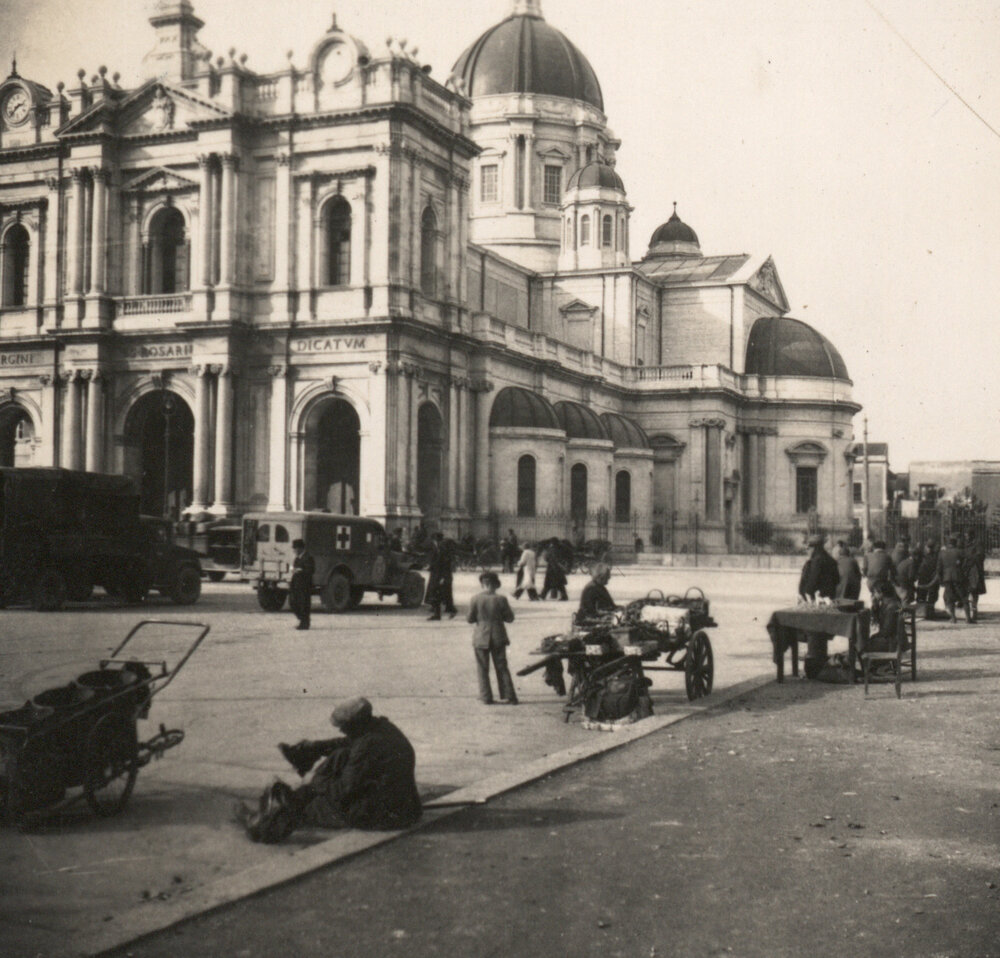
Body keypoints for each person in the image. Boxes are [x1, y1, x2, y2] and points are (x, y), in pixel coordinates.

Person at [234, 697, 422, 843]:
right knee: (340, 755)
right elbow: (350, 743)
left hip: (380, 816)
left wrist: (314, 781)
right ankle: (289, 802)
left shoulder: (367, 747)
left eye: (343, 727)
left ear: (355, 724)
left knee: (303, 809)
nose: (341, 731)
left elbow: (343, 790)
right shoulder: (381, 728)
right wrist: (316, 747)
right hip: (404, 808)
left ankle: (262, 825)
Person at [467, 571, 518, 705]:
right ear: (496, 584)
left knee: (482, 667)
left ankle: (486, 696)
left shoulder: (475, 599)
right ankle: (509, 695)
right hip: (498, 635)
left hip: (481, 637)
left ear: (483, 584)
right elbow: (510, 618)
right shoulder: (501, 599)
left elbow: (470, 619)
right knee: (502, 666)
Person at [936, 535, 968, 624]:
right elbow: (965, 563)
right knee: (964, 597)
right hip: (958, 576)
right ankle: (968, 618)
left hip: (947, 578)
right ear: (955, 543)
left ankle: (953, 618)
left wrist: (940, 579)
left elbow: (939, 568)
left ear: (947, 543)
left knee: (950, 598)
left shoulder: (942, 553)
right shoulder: (960, 552)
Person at [798, 534, 839, 601]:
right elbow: (837, 579)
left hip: (816, 599)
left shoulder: (816, 561)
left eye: (808, 548)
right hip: (830, 597)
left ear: (814, 548)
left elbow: (812, 580)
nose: (807, 551)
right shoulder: (831, 560)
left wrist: (806, 594)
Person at [425, 532, 457, 621]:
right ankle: (446, 611)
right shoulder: (442, 549)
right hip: (439, 575)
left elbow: (442, 564)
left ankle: (439, 614)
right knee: (444, 594)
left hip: (439, 576)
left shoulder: (442, 550)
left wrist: (442, 577)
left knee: (437, 593)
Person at [289, 538, 315, 630]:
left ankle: (304, 623)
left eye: (295, 548)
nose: (294, 550)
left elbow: (311, 570)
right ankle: (302, 619)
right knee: (293, 602)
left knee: (304, 604)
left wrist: (301, 570)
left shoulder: (308, 558)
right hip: (296, 584)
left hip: (304, 584)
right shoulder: (297, 558)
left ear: (300, 548)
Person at [962, 533, 987, 624]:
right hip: (966, 571)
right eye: (965, 535)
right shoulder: (965, 544)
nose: (966, 537)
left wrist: (969, 558)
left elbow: (980, 556)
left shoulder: (978, 544)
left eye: (967, 535)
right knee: (966, 591)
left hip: (974, 570)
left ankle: (974, 611)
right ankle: (968, 614)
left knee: (974, 591)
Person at [915, 539, 941, 619]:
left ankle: (925, 613)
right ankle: (928, 613)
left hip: (925, 578)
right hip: (929, 578)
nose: (929, 549)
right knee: (930, 596)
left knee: (927, 596)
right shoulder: (936, 556)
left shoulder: (923, 556)